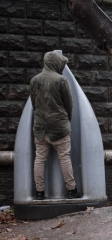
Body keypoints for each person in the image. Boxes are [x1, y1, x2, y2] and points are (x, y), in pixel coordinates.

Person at [30, 51, 81, 200]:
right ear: (56, 63)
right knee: (64, 157)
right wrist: (66, 121)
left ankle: (39, 193)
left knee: (39, 159)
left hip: (40, 127)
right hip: (59, 127)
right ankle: (71, 190)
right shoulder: (61, 80)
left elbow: (34, 103)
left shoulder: (34, 80)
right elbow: (69, 104)